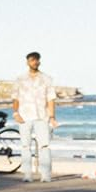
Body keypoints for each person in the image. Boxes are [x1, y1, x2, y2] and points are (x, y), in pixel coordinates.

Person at [14, 51, 57, 183]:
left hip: (41, 116)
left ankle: (46, 174)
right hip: (24, 115)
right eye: (32, 60)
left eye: (37, 60)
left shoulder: (47, 79)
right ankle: (27, 174)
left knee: (44, 146)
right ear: (27, 62)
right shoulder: (20, 79)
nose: (35, 62)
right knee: (25, 146)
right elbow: (15, 98)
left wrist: (52, 116)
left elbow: (51, 98)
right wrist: (15, 113)